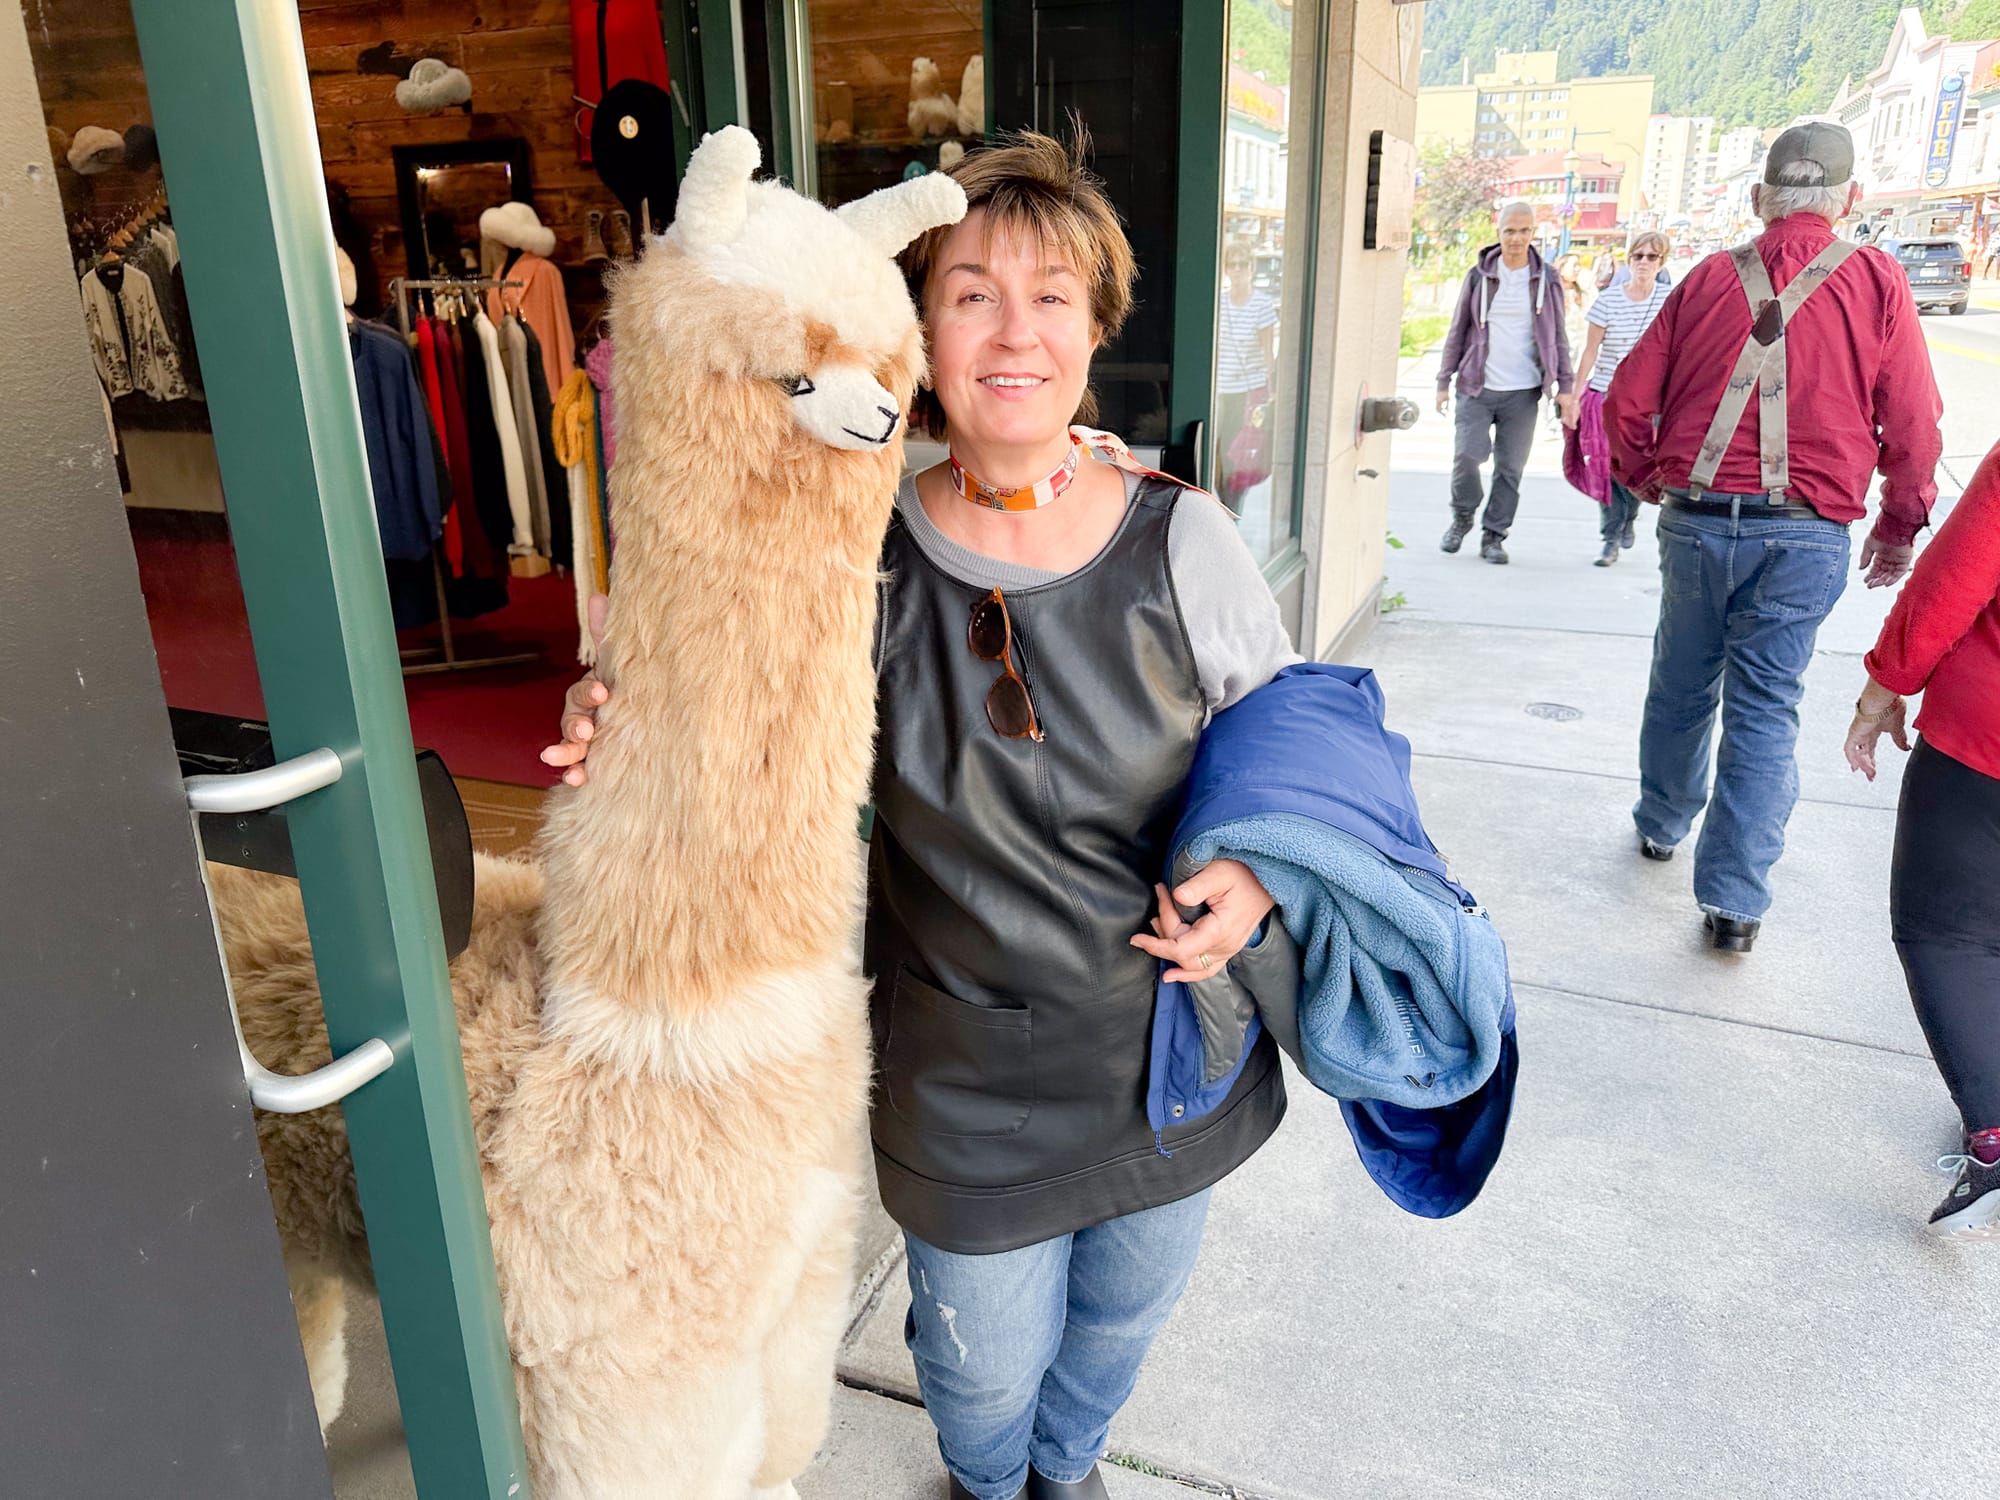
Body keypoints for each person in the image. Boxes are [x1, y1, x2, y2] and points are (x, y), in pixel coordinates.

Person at [543, 131, 1299, 1500]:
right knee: (979, 1376)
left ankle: (1066, 1475)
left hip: (1172, 1054)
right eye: (971, 294)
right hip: (960, 1075)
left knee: (1119, 1325)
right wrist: (631, 720)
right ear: (919, 336)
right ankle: (993, 1475)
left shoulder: (1185, 537)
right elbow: (731, 705)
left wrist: (1257, 870)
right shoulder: (856, 550)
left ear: (1093, 327)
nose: (1016, 332)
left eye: (1052, 296)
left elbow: (1293, 745)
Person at [1606, 121, 1942, 954]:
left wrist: (1647, 476)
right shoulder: (1878, 281)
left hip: (1695, 518)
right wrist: (1899, 525)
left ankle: (1660, 823)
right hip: (1805, 535)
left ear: (1759, 200)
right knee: (1764, 709)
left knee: (1680, 681)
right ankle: (1734, 902)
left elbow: (1623, 401)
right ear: (1850, 201)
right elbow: (1914, 424)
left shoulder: (1706, 279)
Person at [1844, 440, 2000, 1240]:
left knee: (1949, 933)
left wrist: (1882, 691)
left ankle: (1996, 1132)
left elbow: (1955, 578)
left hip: (1986, 748)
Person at [1435, 200, 1578, 565]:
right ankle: (1462, 516)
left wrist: (1565, 386)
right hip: (1477, 386)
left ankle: (1494, 536)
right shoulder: (1480, 276)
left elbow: (1557, 335)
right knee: (1467, 456)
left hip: (1523, 392)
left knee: (1510, 469)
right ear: (1498, 234)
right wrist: (1442, 379)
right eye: (1509, 231)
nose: (1516, 238)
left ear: (1533, 233)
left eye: (1523, 230)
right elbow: (1458, 330)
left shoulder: (1546, 279)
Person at [1564, 229, 1671, 566]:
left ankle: (1628, 518)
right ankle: (1610, 538)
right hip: (1608, 396)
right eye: (1637, 256)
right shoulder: (1609, 299)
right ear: (1629, 260)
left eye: (1651, 257)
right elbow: (1590, 350)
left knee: (1639, 467)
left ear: (1661, 261)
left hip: (1650, 402)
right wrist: (1576, 394)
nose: (1643, 262)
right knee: (1607, 466)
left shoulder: (1669, 299)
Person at [1214, 240, 1277, 515]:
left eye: (1243, 264)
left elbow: (1267, 350)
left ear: (1251, 267)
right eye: (1233, 264)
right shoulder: (1220, 302)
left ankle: (1232, 505)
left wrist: (1270, 387)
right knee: (1216, 447)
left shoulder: (1262, 305)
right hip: (1219, 386)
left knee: (1238, 447)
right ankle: (1221, 499)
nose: (1237, 270)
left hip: (1247, 389)